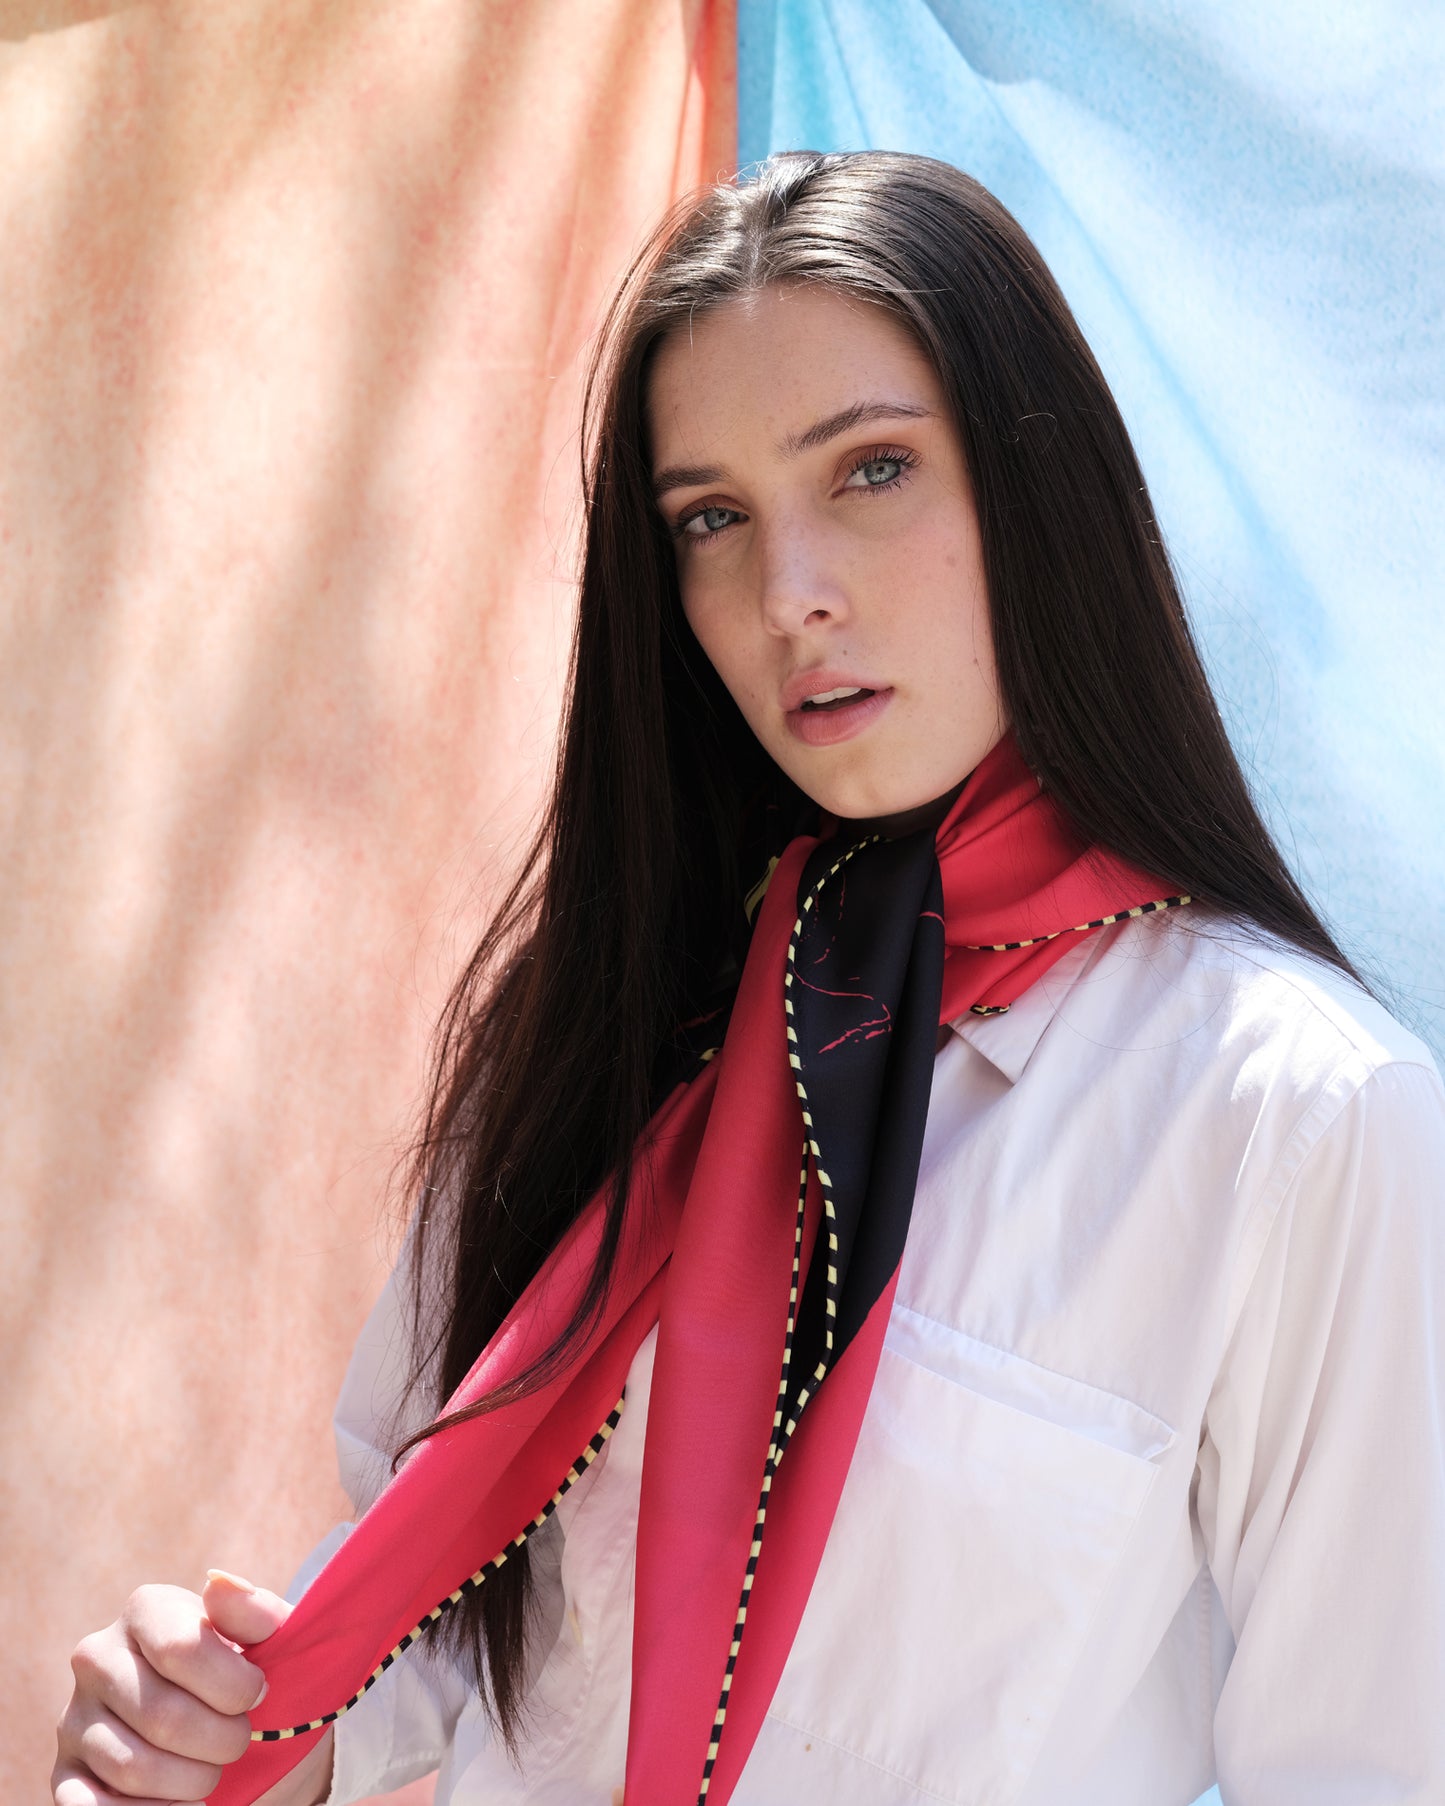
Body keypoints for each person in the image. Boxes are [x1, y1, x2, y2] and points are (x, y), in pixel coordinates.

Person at [52, 150, 1445, 1806]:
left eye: (868, 471)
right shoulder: (611, 1019)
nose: (788, 595)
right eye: (710, 518)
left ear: (1036, 487)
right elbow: (436, 1624)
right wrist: (237, 1722)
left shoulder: (1292, 1116)